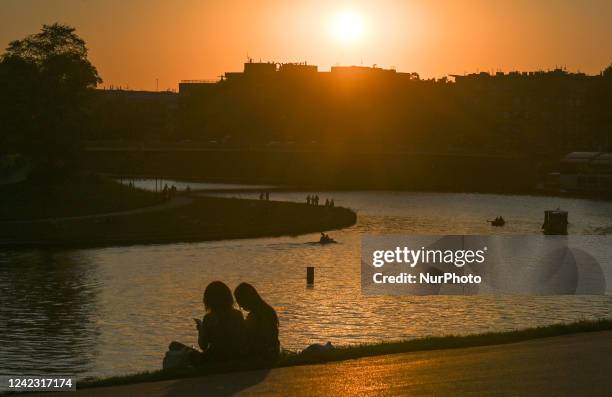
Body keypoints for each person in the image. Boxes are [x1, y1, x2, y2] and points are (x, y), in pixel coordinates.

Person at [168, 281, 245, 365]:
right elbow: (241, 339)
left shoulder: (209, 318)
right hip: (233, 356)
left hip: (214, 358)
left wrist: (202, 329)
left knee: (175, 347)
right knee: (177, 347)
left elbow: (203, 345)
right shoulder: (237, 315)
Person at [234, 283, 280, 362]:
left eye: (240, 301)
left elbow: (246, 336)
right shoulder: (268, 310)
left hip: (261, 355)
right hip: (273, 352)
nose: (240, 306)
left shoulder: (255, 315)